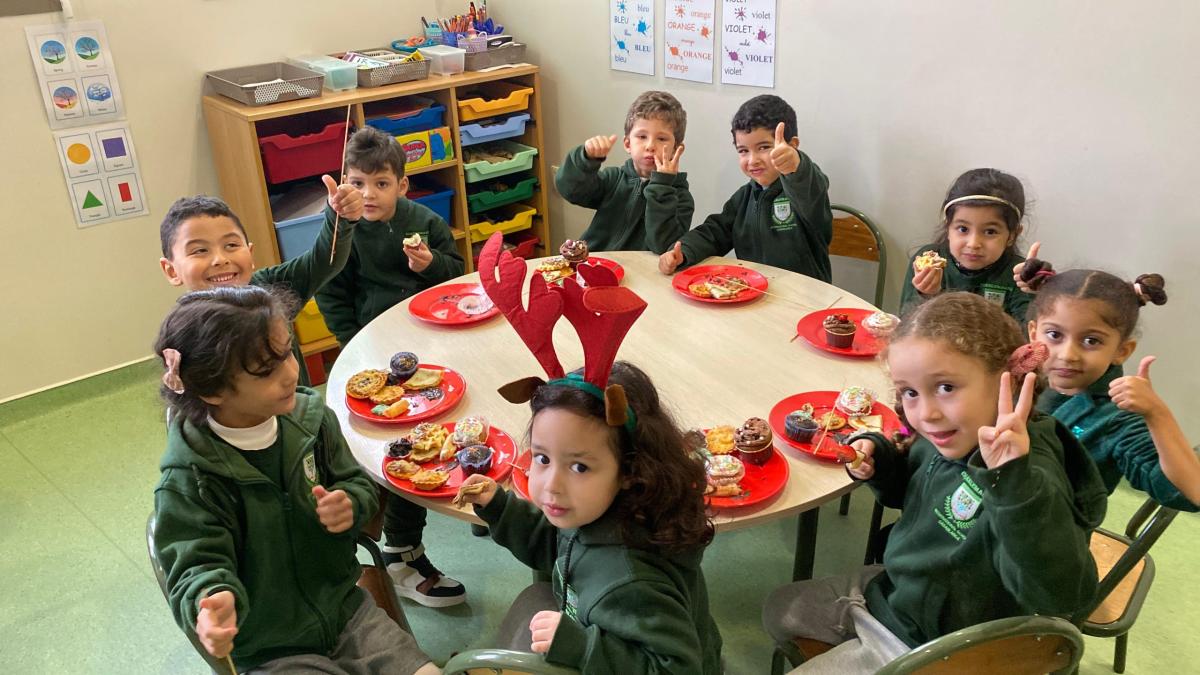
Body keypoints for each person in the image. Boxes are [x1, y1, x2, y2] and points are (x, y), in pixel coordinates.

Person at [762, 292, 1106, 673]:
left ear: (1007, 381)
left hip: (940, 643)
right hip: (899, 594)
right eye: (910, 392)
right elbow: (912, 487)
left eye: (946, 388)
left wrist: (1012, 483)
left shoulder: (1028, 474)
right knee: (780, 610)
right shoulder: (948, 433)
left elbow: (1061, 594)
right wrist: (880, 460)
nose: (926, 413)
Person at [150, 285, 436, 674]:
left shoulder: (312, 421)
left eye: (287, 353)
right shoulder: (190, 477)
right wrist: (213, 600)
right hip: (271, 648)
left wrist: (350, 502)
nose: (290, 374)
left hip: (348, 612)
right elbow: (194, 564)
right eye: (266, 370)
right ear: (212, 390)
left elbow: (358, 484)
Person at [316, 125, 467, 606]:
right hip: (375, 355)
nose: (368, 194)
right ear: (344, 183)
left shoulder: (424, 220)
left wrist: (431, 266)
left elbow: (457, 275)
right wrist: (353, 346)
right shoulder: (341, 232)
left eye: (380, 183)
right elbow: (331, 294)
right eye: (357, 183)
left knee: (452, 419)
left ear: (402, 185)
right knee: (400, 444)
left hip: (432, 343)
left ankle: (476, 485)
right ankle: (401, 550)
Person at [1025, 267, 1199, 509]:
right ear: (1034, 334)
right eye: (1054, 335)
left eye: (1091, 341)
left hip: (1045, 527)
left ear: (1121, 351)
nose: (1067, 355)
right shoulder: (1020, 376)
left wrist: (1158, 414)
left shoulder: (1116, 419)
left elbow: (1188, 493)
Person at [658, 94, 832, 281]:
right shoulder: (743, 197)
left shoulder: (805, 191)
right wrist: (682, 251)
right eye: (743, 151)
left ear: (792, 146)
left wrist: (795, 165)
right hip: (754, 291)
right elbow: (714, 232)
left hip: (806, 296)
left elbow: (811, 188)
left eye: (764, 147)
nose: (752, 160)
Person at [554, 90, 693, 253]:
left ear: (676, 149)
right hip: (596, 262)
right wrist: (585, 159)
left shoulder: (681, 198)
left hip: (642, 268)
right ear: (628, 144)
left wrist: (662, 187)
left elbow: (663, 246)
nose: (650, 146)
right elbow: (570, 190)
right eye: (642, 136)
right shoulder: (613, 179)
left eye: (661, 139)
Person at [899, 168, 1033, 321]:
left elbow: (1030, 332)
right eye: (963, 229)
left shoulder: (1019, 276)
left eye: (990, 231)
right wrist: (927, 296)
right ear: (948, 227)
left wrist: (1040, 292)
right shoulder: (927, 263)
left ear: (1012, 235)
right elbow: (906, 325)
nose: (973, 243)